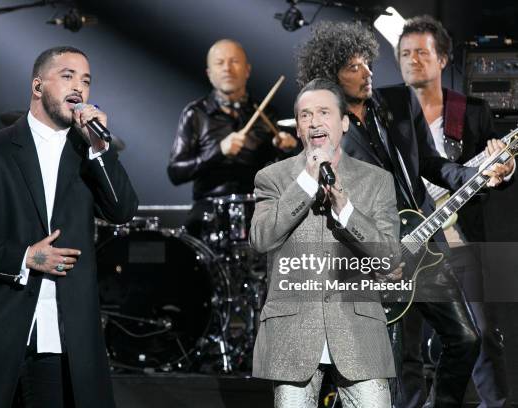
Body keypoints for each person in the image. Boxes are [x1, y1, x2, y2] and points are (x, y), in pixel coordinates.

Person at [296, 21, 514, 407]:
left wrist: (477, 175)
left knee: (467, 340)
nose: (367, 73)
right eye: (353, 67)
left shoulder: (396, 103)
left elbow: (429, 162)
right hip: (375, 260)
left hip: (424, 244)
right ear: (330, 76)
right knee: (401, 364)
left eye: (367, 63)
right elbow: (327, 206)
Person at [0, 46, 138, 407]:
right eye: (67, 76)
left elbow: (122, 210)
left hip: (63, 342)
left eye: (86, 80)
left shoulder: (89, 155)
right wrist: (26, 257)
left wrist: (99, 150)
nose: (79, 87)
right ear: (37, 86)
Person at [250, 78, 400, 407]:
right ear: (298, 128)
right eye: (305, 115)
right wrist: (305, 182)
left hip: (358, 330)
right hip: (293, 333)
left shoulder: (377, 180)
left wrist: (346, 211)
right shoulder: (272, 178)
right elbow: (260, 239)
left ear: (344, 122)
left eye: (323, 112)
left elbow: (389, 258)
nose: (314, 122)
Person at [398, 15, 511, 407]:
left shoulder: (472, 111)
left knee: (482, 336)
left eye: (422, 52)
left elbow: (495, 170)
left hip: (459, 241)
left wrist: (505, 168)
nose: (413, 60)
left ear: (443, 59)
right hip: (409, 247)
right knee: (405, 348)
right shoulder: (388, 116)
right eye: (405, 53)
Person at [167, 38, 297, 236]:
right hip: (209, 209)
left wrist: (287, 151)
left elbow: (282, 176)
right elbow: (176, 173)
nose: (227, 68)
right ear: (209, 74)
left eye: (234, 61)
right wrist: (218, 151)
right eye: (220, 63)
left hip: (259, 208)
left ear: (247, 70)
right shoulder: (195, 114)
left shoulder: (267, 114)